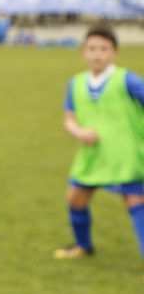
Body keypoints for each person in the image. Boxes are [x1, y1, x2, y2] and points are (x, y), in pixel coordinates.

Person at [53, 24, 144, 262]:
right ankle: (83, 246)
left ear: (115, 53)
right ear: (83, 52)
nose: (97, 54)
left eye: (104, 49)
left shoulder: (127, 80)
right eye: (92, 48)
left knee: (135, 203)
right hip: (93, 154)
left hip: (124, 156)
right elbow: (69, 118)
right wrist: (78, 132)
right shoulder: (76, 83)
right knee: (75, 198)